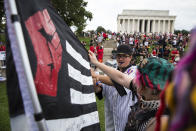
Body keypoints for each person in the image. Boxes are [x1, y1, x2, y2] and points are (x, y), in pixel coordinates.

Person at [89, 51, 174, 131]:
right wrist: (96, 63)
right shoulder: (149, 95)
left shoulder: (159, 121)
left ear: (156, 89)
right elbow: (121, 78)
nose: (137, 85)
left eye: (143, 82)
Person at [91, 44, 138, 131]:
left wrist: (95, 75)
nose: (120, 58)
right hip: (111, 122)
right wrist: (96, 87)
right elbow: (101, 94)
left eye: (124, 56)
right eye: (118, 56)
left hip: (128, 122)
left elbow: (119, 81)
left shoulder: (135, 71)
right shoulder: (110, 73)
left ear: (131, 57)